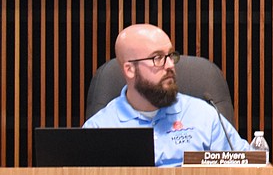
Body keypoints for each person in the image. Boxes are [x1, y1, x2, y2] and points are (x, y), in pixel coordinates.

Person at [83, 23, 251, 167]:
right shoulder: (99, 129)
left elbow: (253, 167)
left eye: (170, 56)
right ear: (130, 69)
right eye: (158, 58)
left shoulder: (203, 116)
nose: (170, 65)